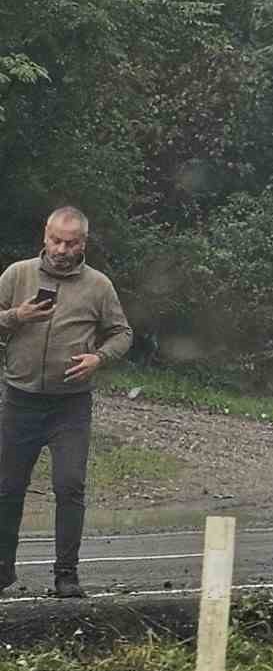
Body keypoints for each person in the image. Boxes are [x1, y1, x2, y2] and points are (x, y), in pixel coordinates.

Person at [0, 206, 133, 597]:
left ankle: (66, 575)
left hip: (70, 406)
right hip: (20, 399)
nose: (61, 249)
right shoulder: (17, 274)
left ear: (83, 244)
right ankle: (3, 569)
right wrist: (15, 316)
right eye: (56, 240)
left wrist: (99, 358)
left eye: (70, 243)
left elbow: (122, 334)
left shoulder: (98, 286)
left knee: (69, 485)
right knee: (7, 487)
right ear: (45, 236)